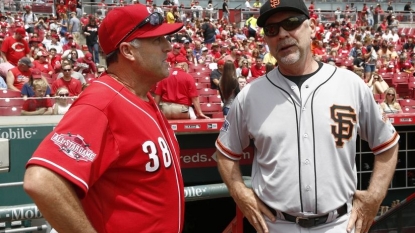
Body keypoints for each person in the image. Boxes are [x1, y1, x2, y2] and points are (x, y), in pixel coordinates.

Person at [215, 1, 399, 233]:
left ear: (311, 27)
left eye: (291, 23)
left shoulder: (350, 84)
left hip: (339, 224)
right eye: (271, 29)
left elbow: (387, 145)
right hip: (276, 225)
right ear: (266, 39)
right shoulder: (250, 95)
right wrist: (240, 192)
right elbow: (224, 154)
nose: (282, 34)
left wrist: (374, 196)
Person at [23, 4, 185, 233]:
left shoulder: (141, 96)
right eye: (157, 40)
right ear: (128, 51)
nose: (168, 47)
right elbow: (41, 180)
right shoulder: (102, 102)